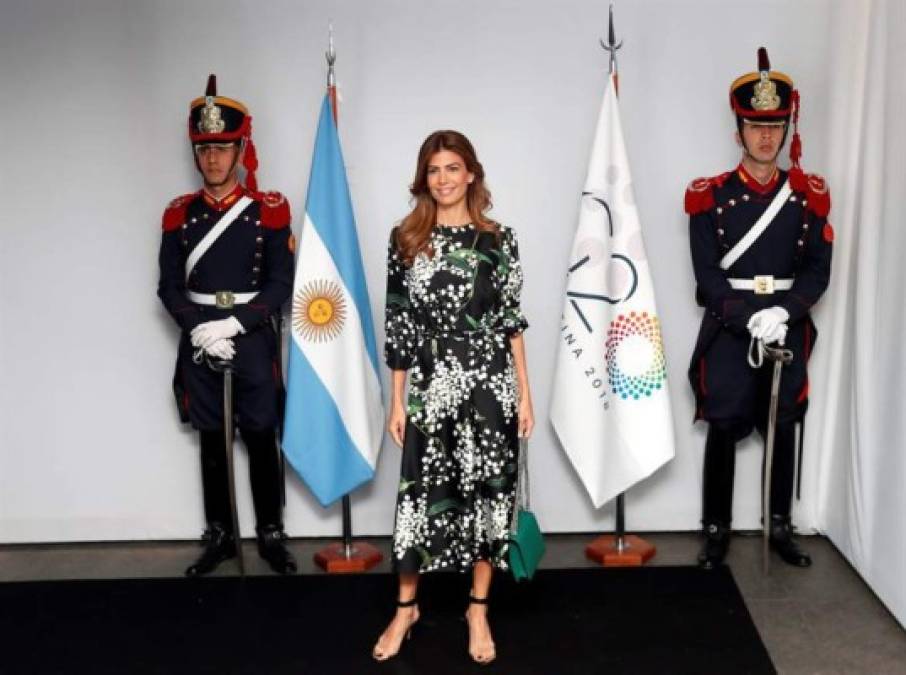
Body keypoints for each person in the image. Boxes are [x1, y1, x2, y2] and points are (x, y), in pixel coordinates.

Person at [373, 130, 534, 664]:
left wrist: (525, 395)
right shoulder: (405, 239)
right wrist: (397, 402)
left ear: (471, 174)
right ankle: (406, 609)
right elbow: (397, 325)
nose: (443, 179)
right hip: (430, 380)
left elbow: (512, 323)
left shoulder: (499, 240)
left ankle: (478, 608)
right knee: (420, 494)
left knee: (490, 491)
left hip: (490, 382)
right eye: (434, 170)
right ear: (425, 178)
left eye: (453, 168)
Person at [685, 49, 833, 569]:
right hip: (732, 324)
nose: (765, 137)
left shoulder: (808, 195)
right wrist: (745, 314)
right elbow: (705, 273)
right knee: (723, 424)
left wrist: (786, 313)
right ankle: (716, 529)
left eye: (774, 126)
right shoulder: (709, 196)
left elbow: (818, 269)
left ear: (787, 127)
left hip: (785, 324)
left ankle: (780, 527)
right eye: (755, 126)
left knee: (784, 422)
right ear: (738, 131)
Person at [157, 75, 297, 576]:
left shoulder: (270, 211)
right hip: (199, 341)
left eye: (222, 148)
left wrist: (235, 324)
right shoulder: (179, 215)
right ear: (195, 154)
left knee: (261, 435)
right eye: (204, 149)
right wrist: (198, 328)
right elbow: (168, 286)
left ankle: (271, 533)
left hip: (252, 338)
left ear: (241, 149)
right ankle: (218, 533)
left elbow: (282, 283)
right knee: (212, 439)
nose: (213, 159)